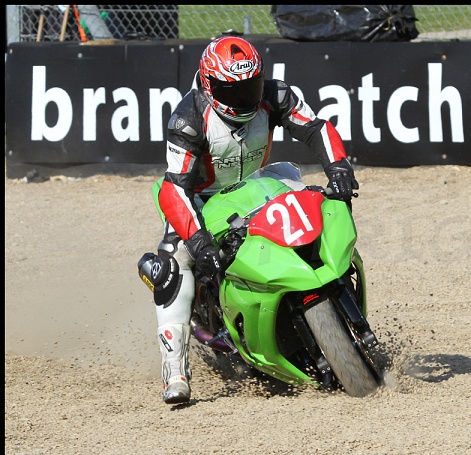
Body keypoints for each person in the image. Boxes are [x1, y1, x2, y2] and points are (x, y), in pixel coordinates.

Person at [137, 36, 358, 405]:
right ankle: (174, 370)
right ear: (208, 85)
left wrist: (338, 167)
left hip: (259, 184)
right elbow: (174, 189)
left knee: (315, 209)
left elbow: (315, 127)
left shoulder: (277, 95)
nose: (244, 99)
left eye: (250, 87)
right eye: (231, 90)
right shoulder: (188, 119)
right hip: (201, 200)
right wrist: (200, 242)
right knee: (175, 261)